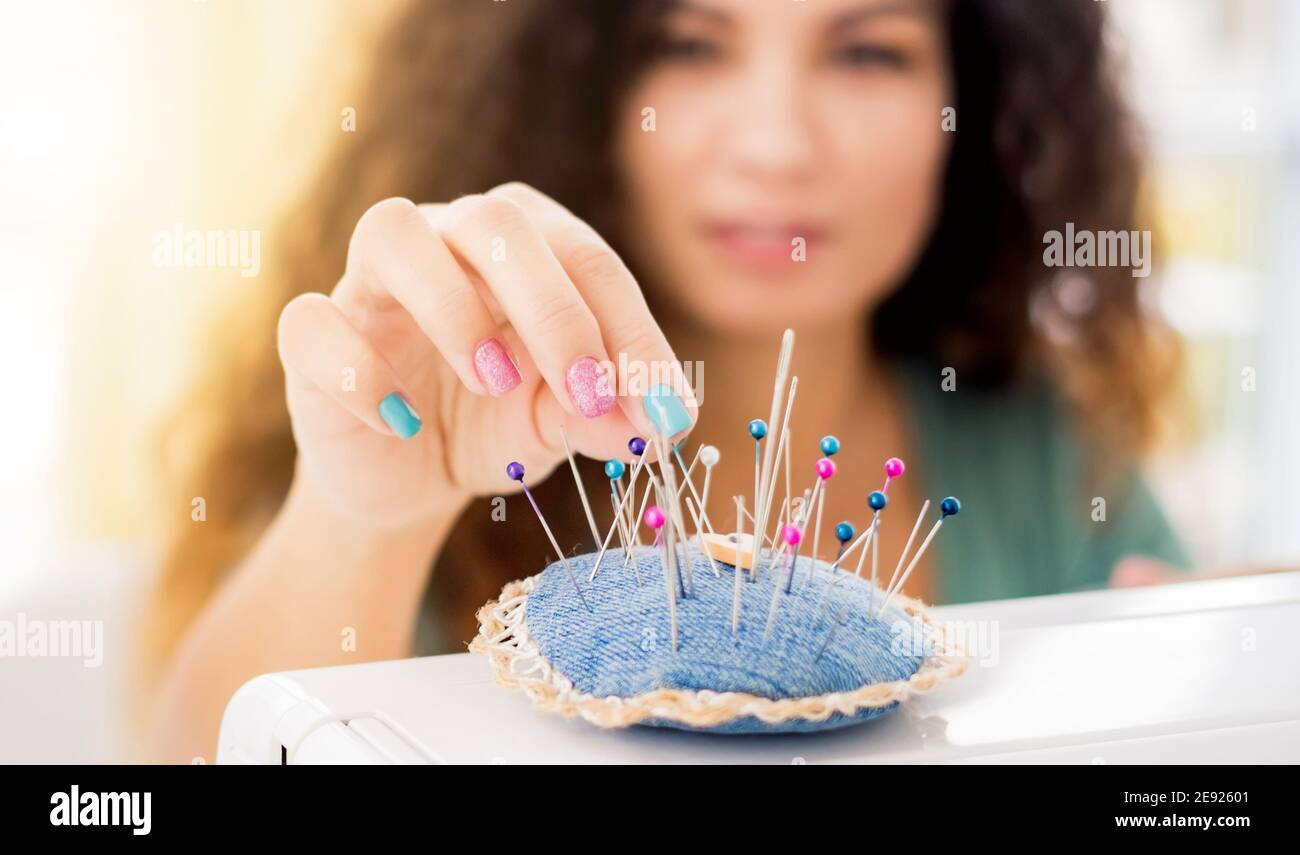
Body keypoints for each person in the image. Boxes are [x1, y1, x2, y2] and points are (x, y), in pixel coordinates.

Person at [144, 0, 1186, 761]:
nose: (776, 145)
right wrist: (367, 517)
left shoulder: (1050, 459)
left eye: (868, 51)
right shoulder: (436, 437)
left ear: (975, 94)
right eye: (689, 44)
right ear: (570, 80)